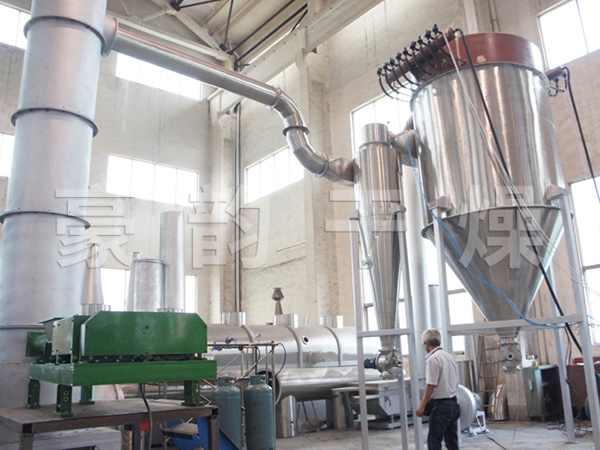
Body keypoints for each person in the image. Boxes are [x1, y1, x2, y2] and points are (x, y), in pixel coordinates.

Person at [415, 328, 461, 450]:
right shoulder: (449, 356)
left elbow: (431, 385)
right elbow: (456, 382)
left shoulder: (433, 359)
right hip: (453, 402)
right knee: (452, 441)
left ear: (426, 343)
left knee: (434, 441)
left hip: (442, 406)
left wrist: (422, 405)